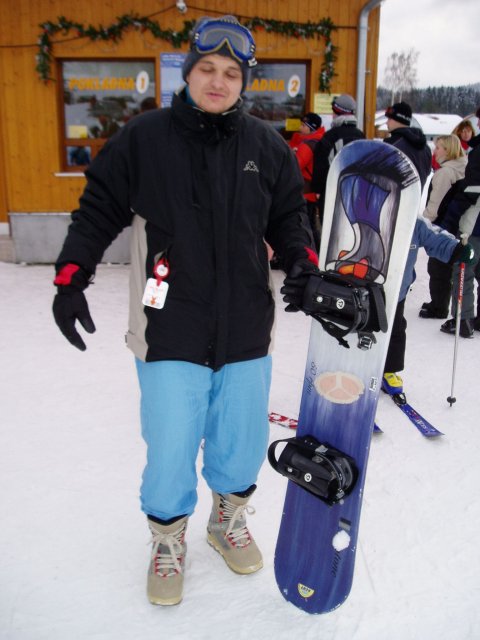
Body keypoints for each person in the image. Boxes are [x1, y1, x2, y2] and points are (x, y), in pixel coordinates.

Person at [51, 15, 316, 607]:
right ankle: (167, 539)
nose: (218, 82)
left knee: (241, 441)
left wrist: (300, 260)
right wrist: (71, 275)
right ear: (188, 73)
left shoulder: (266, 145)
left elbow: (288, 217)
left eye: (231, 73)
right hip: (169, 325)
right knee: (171, 446)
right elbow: (98, 208)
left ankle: (226, 519)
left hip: (246, 326)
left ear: (244, 82)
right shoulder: (145, 139)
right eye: (207, 69)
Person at [382, 219, 475, 396]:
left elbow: (433, 236)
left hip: (396, 289)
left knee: (395, 329)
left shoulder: (412, 221)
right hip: (358, 285)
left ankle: (389, 370)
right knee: (353, 326)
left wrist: (457, 249)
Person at [381, 101, 433, 395]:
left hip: (386, 224)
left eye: (388, 118)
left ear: (394, 119)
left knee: (378, 301)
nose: (386, 122)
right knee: (397, 302)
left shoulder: (394, 146)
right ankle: (391, 370)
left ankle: (374, 366)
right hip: (408, 222)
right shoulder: (423, 147)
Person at [437, 106, 480, 338]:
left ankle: (463, 320)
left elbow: (471, 191)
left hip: (475, 223)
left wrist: (450, 218)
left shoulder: (478, 153)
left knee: (464, 269)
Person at [420, 135, 467, 319]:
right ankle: (441, 304)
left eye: (438, 147)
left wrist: (423, 223)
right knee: (449, 267)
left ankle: (438, 307)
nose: (435, 151)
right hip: (458, 224)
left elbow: (435, 204)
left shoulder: (445, 173)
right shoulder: (463, 167)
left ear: (448, 150)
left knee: (437, 266)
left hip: (443, 225)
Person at [310, 94, 365, 224]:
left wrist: (317, 189)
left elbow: (321, 165)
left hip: (332, 193)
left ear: (337, 112)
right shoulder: (361, 135)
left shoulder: (330, 136)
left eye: (333, 112)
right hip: (356, 193)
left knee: (330, 229)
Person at [293, 113, 325, 251]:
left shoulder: (307, 144)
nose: (300, 128)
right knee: (312, 225)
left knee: (305, 225)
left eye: (303, 125)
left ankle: (310, 252)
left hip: (305, 191)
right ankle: (316, 252)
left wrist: (292, 154)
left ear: (310, 128)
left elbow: (295, 165)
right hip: (314, 190)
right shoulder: (321, 141)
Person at [383, 101, 432, 190]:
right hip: (415, 196)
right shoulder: (425, 148)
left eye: (389, 119)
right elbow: (426, 172)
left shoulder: (392, 145)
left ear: (398, 119)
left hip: (393, 196)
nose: (387, 123)